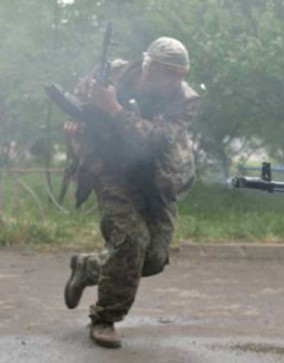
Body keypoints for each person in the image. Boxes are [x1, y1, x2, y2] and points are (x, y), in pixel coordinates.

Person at [62, 37, 199, 348]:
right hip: (110, 170)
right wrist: (74, 118)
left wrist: (114, 108)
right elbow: (80, 100)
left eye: (181, 75)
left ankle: (87, 267)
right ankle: (104, 319)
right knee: (132, 242)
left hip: (157, 179)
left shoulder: (185, 100)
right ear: (148, 67)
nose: (176, 82)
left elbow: (156, 140)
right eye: (170, 74)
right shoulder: (112, 73)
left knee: (152, 259)